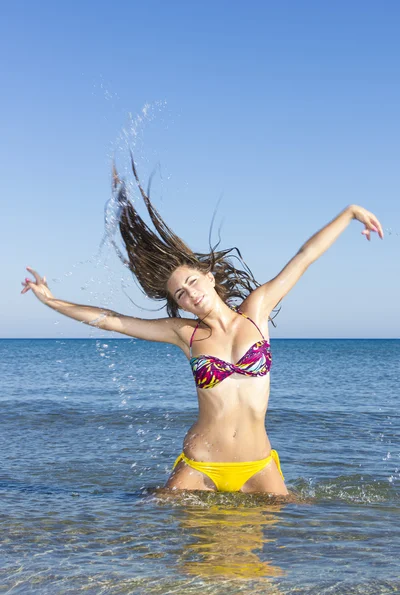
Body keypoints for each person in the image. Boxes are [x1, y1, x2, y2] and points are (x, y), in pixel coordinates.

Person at [21, 162, 384, 495]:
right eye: (180, 293)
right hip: (201, 466)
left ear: (209, 277)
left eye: (193, 281)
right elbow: (115, 321)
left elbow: (303, 258)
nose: (191, 294)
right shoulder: (186, 334)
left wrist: (349, 213)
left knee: (275, 550)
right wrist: (52, 301)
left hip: (258, 465)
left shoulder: (256, 311)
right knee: (175, 545)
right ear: (178, 303)